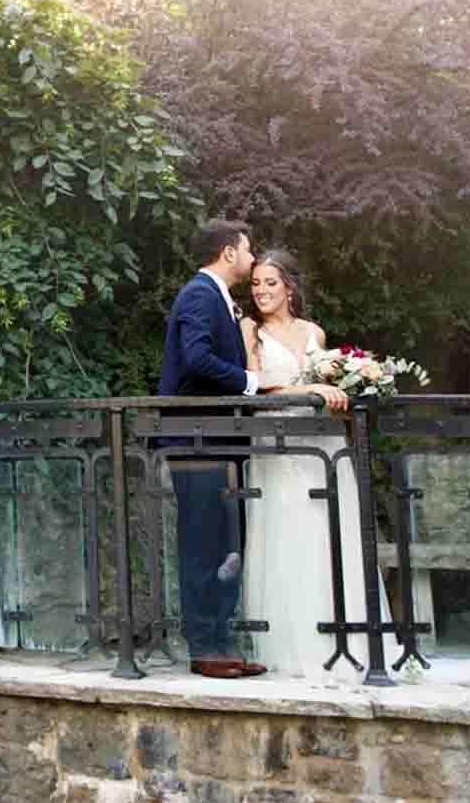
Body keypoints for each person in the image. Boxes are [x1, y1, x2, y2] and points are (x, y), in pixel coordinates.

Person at [238, 250, 395, 676]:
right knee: (290, 536)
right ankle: (295, 649)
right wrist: (309, 389)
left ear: (290, 286)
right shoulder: (249, 329)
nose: (261, 291)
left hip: (322, 445)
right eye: (255, 284)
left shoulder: (315, 334)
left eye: (270, 283)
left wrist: (346, 392)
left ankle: (352, 643)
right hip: (278, 447)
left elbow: (330, 394)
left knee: (334, 536)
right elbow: (257, 391)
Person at [157, 219, 273, 678]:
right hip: (197, 442)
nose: (251, 257)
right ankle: (204, 647)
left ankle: (223, 644)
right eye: (247, 250)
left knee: (227, 544)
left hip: (218, 443)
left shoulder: (217, 299)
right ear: (228, 252)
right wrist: (252, 383)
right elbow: (196, 358)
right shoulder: (199, 295)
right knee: (203, 545)